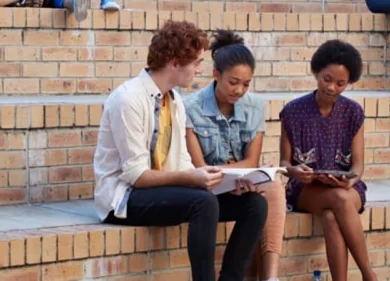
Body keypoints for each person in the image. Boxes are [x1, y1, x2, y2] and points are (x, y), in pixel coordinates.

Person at [94, 21, 266, 281]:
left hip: (163, 191)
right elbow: (136, 176)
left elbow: (185, 165)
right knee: (203, 203)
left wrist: (223, 182)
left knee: (254, 203)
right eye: (196, 63)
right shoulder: (128, 99)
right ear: (175, 62)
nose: (199, 69)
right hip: (124, 199)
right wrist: (192, 179)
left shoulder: (173, 100)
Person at [182, 30, 284, 281]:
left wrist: (243, 174)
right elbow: (200, 166)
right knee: (210, 202)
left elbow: (252, 161)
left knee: (261, 199)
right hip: (203, 189)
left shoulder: (255, 106)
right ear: (216, 75)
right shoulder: (189, 107)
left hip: (237, 185)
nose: (239, 90)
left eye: (246, 84)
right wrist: (231, 171)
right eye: (233, 82)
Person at [280, 40, 376, 281]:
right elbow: (284, 162)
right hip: (306, 188)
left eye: (340, 83)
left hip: (345, 186)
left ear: (349, 83)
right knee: (340, 200)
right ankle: (369, 275)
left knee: (333, 215)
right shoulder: (292, 111)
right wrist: (295, 171)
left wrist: (349, 182)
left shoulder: (353, 112)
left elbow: (358, 165)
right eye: (327, 79)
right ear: (316, 72)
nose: (332, 87)